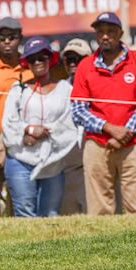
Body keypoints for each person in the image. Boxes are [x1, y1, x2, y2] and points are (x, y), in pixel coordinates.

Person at [71, 12, 136, 215]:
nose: (105, 36)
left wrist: (125, 132)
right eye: (100, 32)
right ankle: (103, 248)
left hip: (134, 144)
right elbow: (78, 110)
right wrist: (109, 128)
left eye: (110, 31)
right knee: (99, 211)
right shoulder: (85, 66)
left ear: (121, 33)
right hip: (98, 144)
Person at [1, 37, 78, 217]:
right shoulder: (18, 88)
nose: (37, 62)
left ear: (50, 59)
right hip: (20, 159)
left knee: (51, 213)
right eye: (32, 58)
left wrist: (43, 133)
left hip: (53, 160)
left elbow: (69, 121)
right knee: (24, 213)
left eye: (41, 57)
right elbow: (8, 121)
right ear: (26, 63)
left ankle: (50, 246)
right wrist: (28, 130)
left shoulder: (65, 89)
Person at [0, 17, 32, 215]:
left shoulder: (29, 66)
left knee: (18, 187)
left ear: (20, 38)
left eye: (12, 37)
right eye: (2, 38)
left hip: (22, 137)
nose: (7, 41)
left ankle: (15, 224)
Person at [58, 37, 92, 215]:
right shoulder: (60, 89)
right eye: (68, 59)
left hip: (94, 164)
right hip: (69, 168)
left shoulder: (97, 84)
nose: (72, 63)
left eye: (77, 59)